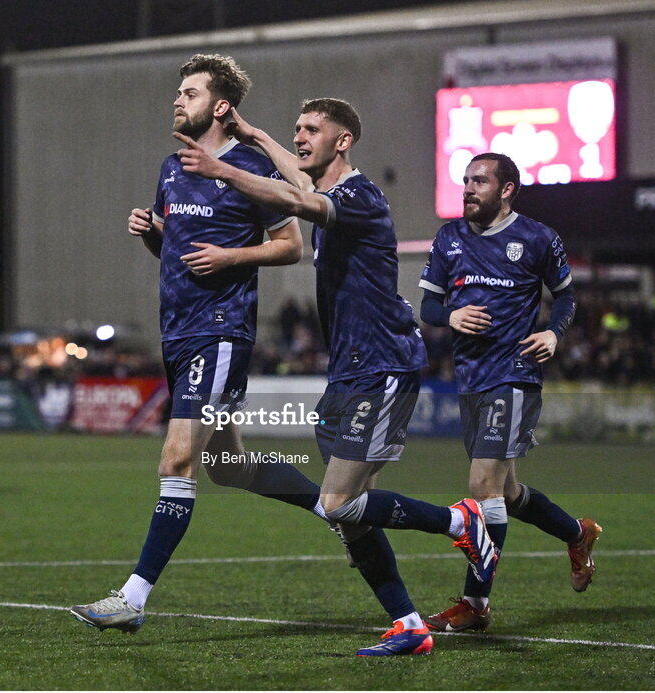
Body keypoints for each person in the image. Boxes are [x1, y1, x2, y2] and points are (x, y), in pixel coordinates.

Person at [171, 98, 496, 656]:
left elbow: (301, 198)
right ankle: (410, 626)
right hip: (346, 374)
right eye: (296, 128)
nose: (299, 137)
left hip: (385, 365)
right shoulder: (327, 189)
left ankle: (459, 522)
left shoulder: (360, 196)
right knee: (349, 517)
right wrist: (253, 135)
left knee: (340, 503)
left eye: (311, 130)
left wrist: (227, 167)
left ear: (342, 141)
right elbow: (299, 181)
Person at [71, 54, 331, 636]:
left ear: (219, 107)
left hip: (219, 332)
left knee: (177, 461)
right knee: (229, 467)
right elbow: (179, 257)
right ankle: (334, 507)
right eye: (177, 92)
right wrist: (154, 236)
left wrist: (230, 256)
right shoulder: (171, 167)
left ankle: (133, 598)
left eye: (188, 92)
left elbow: (290, 246)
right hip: (178, 331)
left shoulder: (248, 168)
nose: (176, 100)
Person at [417, 152, 602, 632]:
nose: (468, 188)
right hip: (471, 379)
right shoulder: (449, 238)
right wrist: (450, 316)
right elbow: (429, 307)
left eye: (479, 180)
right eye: (465, 180)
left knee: (482, 489)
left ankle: (475, 604)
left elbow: (565, 296)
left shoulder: (538, 239)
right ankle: (576, 533)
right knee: (509, 493)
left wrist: (555, 334)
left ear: (507, 189)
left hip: (514, 374)